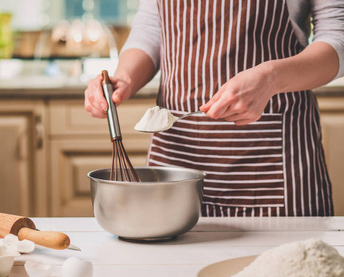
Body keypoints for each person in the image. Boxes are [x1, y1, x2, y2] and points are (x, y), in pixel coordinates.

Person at [84, 0, 344, 217]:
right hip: (174, 161)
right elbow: (152, 28)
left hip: (272, 164)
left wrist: (270, 78)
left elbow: (338, 36)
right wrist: (125, 78)